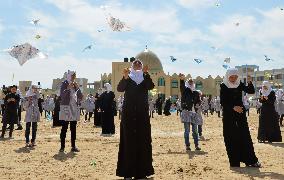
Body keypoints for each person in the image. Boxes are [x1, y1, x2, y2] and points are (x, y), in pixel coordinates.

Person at [116, 60, 155, 179]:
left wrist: (146, 74)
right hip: (128, 116)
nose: (137, 65)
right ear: (132, 66)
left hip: (142, 116)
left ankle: (141, 173)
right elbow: (120, 89)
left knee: (143, 142)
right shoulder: (128, 78)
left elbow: (151, 86)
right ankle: (127, 172)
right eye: (135, 64)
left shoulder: (144, 78)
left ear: (142, 67)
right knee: (128, 143)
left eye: (139, 64)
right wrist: (125, 77)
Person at [220, 68, 261, 168]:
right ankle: (234, 162)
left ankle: (250, 160)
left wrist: (250, 81)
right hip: (229, 115)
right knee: (231, 137)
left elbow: (250, 90)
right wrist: (233, 107)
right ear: (227, 76)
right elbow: (223, 102)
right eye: (231, 77)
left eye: (235, 76)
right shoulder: (224, 86)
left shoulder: (240, 84)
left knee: (245, 136)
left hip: (240, 114)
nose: (233, 79)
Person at [59, 70, 83, 152]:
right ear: (69, 76)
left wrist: (78, 88)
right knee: (64, 127)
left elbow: (81, 97)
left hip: (74, 108)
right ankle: (62, 147)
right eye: (72, 76)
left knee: (73, 128)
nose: (73, 77)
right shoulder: (64, 83)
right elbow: (61, 95)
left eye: (74, 76)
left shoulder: (75, 84)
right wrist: (68, 88)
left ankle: (73, 146)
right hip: (66, 107)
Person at [179, 75, 201, 151]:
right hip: (186, 112)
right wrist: (181, 80)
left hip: (194, 113)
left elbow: (198, 101)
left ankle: (196, 145)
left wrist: (198, 104)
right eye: (189, 82)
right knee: (187, 131)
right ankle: (187, 146)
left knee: (195, 131)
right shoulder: (185, 91)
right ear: (187, 83)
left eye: (192, 82)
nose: (191, 83)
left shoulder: (196, 93)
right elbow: (182, 87)